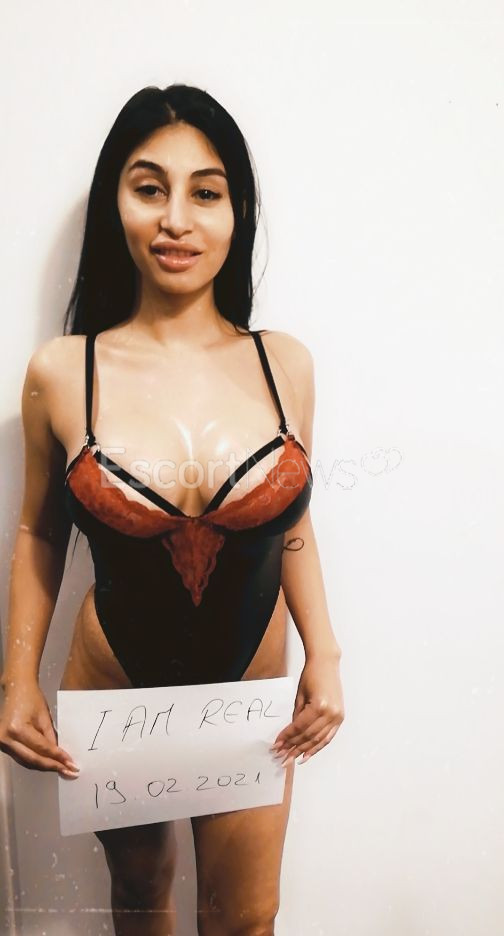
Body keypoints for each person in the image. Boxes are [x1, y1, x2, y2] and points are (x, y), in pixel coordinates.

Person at [0, 84, 345, 936]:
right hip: (115, 684)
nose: (176, 220)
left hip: (247, 695)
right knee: (140, 900)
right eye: (149, 188)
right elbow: (40, 531)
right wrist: (16, 680)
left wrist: (326, 654)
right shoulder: (62, 371)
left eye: (206, 192)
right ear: (114, 203)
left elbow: (292, 523)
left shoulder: (285, 366)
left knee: (246, 919)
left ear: (238, 211)